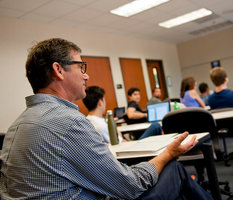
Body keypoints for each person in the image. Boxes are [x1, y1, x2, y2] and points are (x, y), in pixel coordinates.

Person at [0, 38, 212, 199]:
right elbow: (129, 186)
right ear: (58, 70)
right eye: (80, 66)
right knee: (173, 169)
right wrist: (168, 154)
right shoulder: (68, 122)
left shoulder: (16, 126)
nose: (86, 75)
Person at [83, 86, 162, 142]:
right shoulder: (101, 125)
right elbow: (121, 142)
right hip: (127, 151)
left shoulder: (88, 120)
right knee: (156, 125)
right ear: (100, 102)